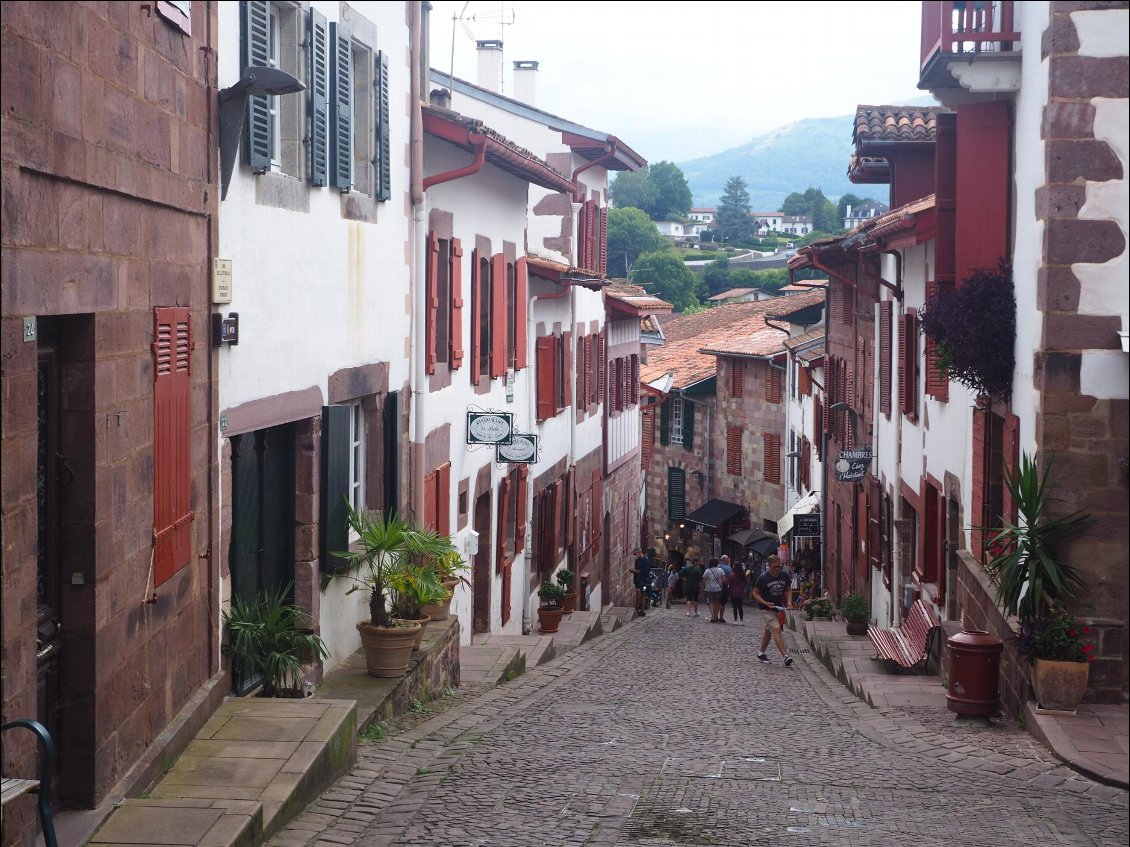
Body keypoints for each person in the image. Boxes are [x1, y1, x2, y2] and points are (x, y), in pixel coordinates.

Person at [750, 554, 794, 665]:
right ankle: (785, 656)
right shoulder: (763, 578)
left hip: (777, 608)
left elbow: (788, 589)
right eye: (775, 567)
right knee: (776, 629)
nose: (777, 569)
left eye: (779, 566)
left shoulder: (784, 576)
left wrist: (789, 602)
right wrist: (765, 602)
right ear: (769, 566)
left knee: (768, 631)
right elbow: (755, 593)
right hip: (766, 608)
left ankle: (761, 653)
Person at [702, 557, 727, 623]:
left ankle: (712, 616)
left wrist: (703, 588)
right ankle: (716, 616)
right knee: (717, 602)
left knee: (711, 602)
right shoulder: (720, 570)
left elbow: (704, 580)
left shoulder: (707, 570)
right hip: (718, 588)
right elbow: (724, 580)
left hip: (709, 588)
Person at [629, 547, 651, 617]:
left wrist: (636, 571)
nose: (635, 555)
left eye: (636, 554)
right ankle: (639, 609)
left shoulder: (646, 560)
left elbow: (646, 571)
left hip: (644, 580)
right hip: (638, 580)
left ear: (639, 553)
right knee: (640, 594)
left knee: (642, 594)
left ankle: (640, 609)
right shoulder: (638, 560)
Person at [717, 555, 734, 621]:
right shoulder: (728, 568)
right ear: (724, 560)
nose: (728, 561)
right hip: (724, 586)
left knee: (716, 602)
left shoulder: (716, 567)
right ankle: (721, 617)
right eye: (728, 560)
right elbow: (731, 578)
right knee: (722, 602)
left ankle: (714, 615)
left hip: (716, 586)